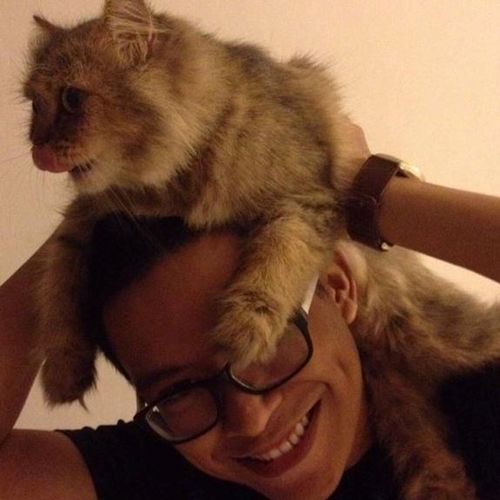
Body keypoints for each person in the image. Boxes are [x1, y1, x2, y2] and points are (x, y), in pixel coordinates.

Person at [1, 126, 500, 499]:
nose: (250, 420)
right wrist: (81, 232)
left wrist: (359, 184)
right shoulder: (167, 474)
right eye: (178, 389)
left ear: (338, 286)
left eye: (261, 341)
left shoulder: (476, 403)